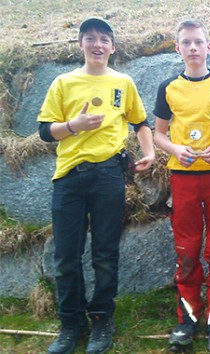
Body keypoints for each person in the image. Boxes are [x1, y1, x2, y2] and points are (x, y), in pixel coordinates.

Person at [37, 17, 155, 354]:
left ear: (113, 47)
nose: (97, 44)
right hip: (69, 176)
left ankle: (102, 320)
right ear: (80, 45)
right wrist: (74, 125)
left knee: (105, 253)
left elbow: (140, 122)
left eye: (104, 39)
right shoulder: (64, 82)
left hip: (108, 175)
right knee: (65, 256)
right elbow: (46, 131)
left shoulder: (123, 82)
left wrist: (149, 154)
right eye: (90, 38)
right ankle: (71, 324)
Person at [153, 19, 210, 352]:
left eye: (198, 42)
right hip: (183, 179)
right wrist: (175, 148)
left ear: (208, 47)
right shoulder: (167, 88)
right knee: (187, 251)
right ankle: (186, 318)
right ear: (178, 48)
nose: (192, 48)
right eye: (185, 43)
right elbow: (159, 133)